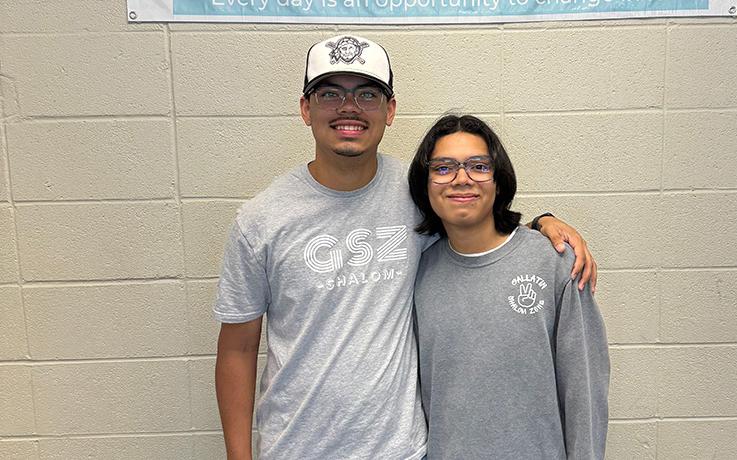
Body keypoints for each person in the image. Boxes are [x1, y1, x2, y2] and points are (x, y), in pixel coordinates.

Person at [213, 34, 597, 460]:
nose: (349, 107)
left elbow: (477, 218)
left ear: (390, 110)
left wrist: (543, 224)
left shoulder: (415, 192)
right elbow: (238, 348)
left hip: (401, 450)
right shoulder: (260, 220)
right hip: (296, 446)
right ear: (306, 108)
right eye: (329, 93)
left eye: (367, 94)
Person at [409, 114, 609, 459]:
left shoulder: (555, 262)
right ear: (424, 185)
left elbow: (585, 394)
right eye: (443, 168)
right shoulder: (418, 270)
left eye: (478, 166)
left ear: (498, 180)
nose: (461, 179)